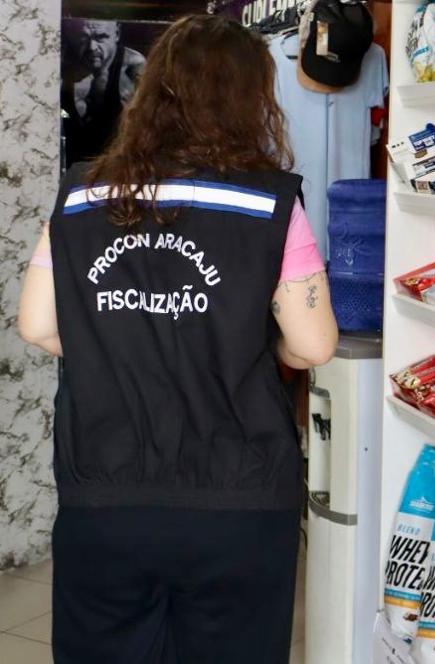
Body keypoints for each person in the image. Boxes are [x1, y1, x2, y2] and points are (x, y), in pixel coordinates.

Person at [18, 15, 338, 664]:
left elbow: (38, 326)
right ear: (253, 101)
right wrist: (251, 347)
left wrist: (117, 342)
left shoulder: (80, 196)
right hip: (239, 496)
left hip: (105, 492)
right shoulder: (269, 205)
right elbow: (312, 347)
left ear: (152, 92)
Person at [61, 18, 147, 165]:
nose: (92, 47)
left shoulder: (132, 67)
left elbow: (149, 131)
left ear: (117, 33)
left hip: (114, 170)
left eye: (101, 37)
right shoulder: (60, 63)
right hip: (68, 168)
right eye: (83, 37)